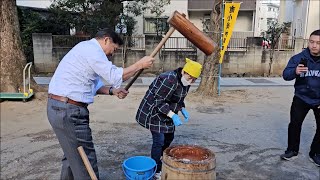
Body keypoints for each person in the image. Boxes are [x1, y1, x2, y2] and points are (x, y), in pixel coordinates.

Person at [47, 28, 155, 179]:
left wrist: (112, 91)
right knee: (85, 160)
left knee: (72, 156)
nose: (112, 53)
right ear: (106, 40)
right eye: (114, 49)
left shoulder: (85, 49)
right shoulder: (93, 50)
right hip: (69, 111)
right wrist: (139, 64)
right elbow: (115, 76)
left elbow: (94, 85)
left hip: (60, 108)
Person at [136, 58, 203, 178]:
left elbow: (178, 99)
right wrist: (172, 115)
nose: (191, 81)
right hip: (154, 112)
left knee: (170, 136)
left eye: (194, 79)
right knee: (159, 140)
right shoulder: (168, 79)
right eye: (190, 77)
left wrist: (182, 108)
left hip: (167, 112)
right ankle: (156, 169)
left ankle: (162, 156)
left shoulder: (186, 82)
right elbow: (159, 102)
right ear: (184, 72)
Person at [280, 29, 320, 167]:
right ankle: (292, 150)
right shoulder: (299, 58)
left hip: (319, 99)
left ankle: (315, 153)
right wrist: (295, 71)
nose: (314, 45)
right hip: (301, 97)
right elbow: (285, 75)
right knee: (294, 125)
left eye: (318, 43)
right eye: (312, 42)